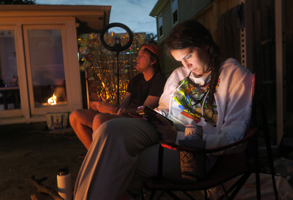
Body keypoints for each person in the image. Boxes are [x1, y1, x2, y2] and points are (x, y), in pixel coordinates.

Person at [73, 20, 253, 200]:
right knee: (108, 130)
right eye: (180, 60)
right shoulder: (178, 75)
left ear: (205, 44)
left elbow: (234, 139)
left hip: (192, 153)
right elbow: (164, 109)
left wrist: (177, 137)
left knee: (117, 163)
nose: (186, 66)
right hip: (160, 129)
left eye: (188, 56)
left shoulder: (235, 76)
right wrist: (152, 117)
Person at [69, 44, 166, 150]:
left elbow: (145, 110)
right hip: (125, 116)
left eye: (142, 55)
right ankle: (95, 157)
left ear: (153, 61)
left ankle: (102, 159)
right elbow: (123, 106)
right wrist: (109, 107)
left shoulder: (159, 79)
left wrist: (115, 110)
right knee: (75, 116)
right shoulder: (135, 80)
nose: (137, 58)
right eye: (138, 55)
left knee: (99, 119)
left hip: (141, 121)